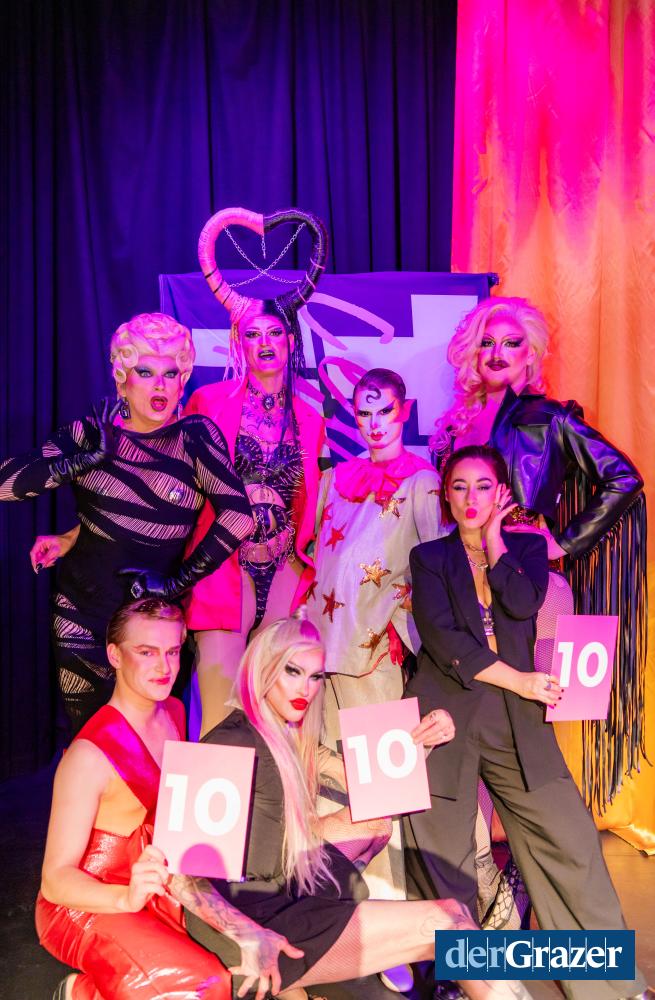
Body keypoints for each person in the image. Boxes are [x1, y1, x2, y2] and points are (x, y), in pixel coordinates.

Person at [404, 445, 648, 1000]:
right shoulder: (429, 557)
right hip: (446, 717)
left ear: (502, 494)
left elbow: (520, 601)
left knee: (571, 842)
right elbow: (444, 640)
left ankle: (612, 987)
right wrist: (519, 680)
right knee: (445, 861)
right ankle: (463, 982)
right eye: (459, 487)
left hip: (516, 720)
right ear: (446, 496)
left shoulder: (528, 549)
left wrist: (495, 539)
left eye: (483, 486)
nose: (470, 498)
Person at [187, 615, 534, 1000]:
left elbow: (371, 783)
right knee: (445, 921)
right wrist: (251, 935)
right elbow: (184, 878)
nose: (306, 688)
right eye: (292, 671)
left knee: (383, 831)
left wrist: (424, 742)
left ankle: (361, 929)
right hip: (255, 923)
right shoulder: (228, 744)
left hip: (286, 891)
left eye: (315, 677)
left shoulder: (285, 735)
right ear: (262, 668)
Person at [430, 296, 645, 809]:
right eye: (487, 342)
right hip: (465, 575)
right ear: (472, 353)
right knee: (474, 711)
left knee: (539, 718)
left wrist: (564, 541)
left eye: (512, 343)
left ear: (531, 354)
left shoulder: (549, 418)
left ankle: (547, 840)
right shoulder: (456, 426)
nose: (497, 352)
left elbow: (623, 477)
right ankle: (484, 847)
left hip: (530, 579)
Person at [36, 597, 304, 1000]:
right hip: (87, 904)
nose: (164, 667)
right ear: (115, 655)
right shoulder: (88, 756)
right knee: (204, 984)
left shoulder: (174, 712)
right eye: (146, 652)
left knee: (259, 942)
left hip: (161, 887)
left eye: (173, 651)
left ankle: (87, 992)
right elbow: (55, 882)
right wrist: (124, 897)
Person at [2, 311, 253, 733]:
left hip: (156, 623)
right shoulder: (92, 433)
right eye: (145, 372)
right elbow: (6, 484)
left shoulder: (194, 436)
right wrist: (85, 459)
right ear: (122, 379)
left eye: (170, 374)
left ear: (183, 380)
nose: (160, 386)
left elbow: (239, 517)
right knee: (93, 738)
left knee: (153, 741)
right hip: (82, 613)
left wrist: (175, 584)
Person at [184, 206, 327, 737]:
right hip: (226, 567)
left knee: (280, 712)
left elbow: (315, 500)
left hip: (286, 568)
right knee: (220, 709)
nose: (264, 343)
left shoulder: (310, 418)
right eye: (252, 334)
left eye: (275, 333)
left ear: (290, 342)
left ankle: (278, 792)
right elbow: (177, 487)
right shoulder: (209, 401)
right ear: (238, 343)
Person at [307, 368, 446, 904]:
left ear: (403, 411)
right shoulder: (336, 478)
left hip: (375, 652)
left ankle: (390, 902)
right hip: (321, 651)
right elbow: (320, 561)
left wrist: (410, 627)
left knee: (381, 783)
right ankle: (336, 901)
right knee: (328, 775)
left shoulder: (422, 481)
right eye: (364, 412)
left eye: (384, 410)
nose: (374, 422)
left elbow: (436, 565)